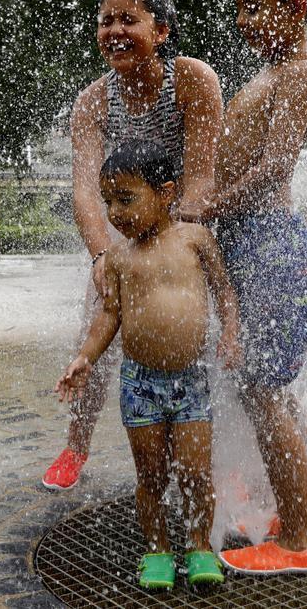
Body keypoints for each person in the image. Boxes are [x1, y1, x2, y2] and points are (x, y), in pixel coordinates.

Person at [42, 0, 223, 490]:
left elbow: (203, 173)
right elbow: (84, 191)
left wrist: (176, 242)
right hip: (120, 238)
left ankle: (218, 459)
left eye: (129, 20)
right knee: (93, 331)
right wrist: (102, 256)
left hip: (187, 227)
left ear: (160, 30)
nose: (115, 30)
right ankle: (76, 446)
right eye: (106, 21)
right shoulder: (93, 102)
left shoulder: (192, 80)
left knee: (199, 337)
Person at [56, 140, 241, 589]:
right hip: (140, 384)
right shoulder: (118, 258)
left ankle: (199, 545)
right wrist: (85, 356)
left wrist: (232, 333)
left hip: (190, 381)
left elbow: (224, 292)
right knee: (152, 475)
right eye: (109, 203)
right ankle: (157, 548)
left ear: (165, 192)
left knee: (196, 471)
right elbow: (109, 315)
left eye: (126, 198)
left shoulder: (195, 239)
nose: (115, 213)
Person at [202, 0, 307, 575]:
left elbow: (277, 165)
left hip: (268, 240)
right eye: (239, 8)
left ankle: (300, 542)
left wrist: (209, 209)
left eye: (255, 8)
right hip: (253, 239)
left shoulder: (301, 75)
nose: (243, 21)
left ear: (297, 6)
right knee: (272, 387)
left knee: (263, 390)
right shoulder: (272, 70)